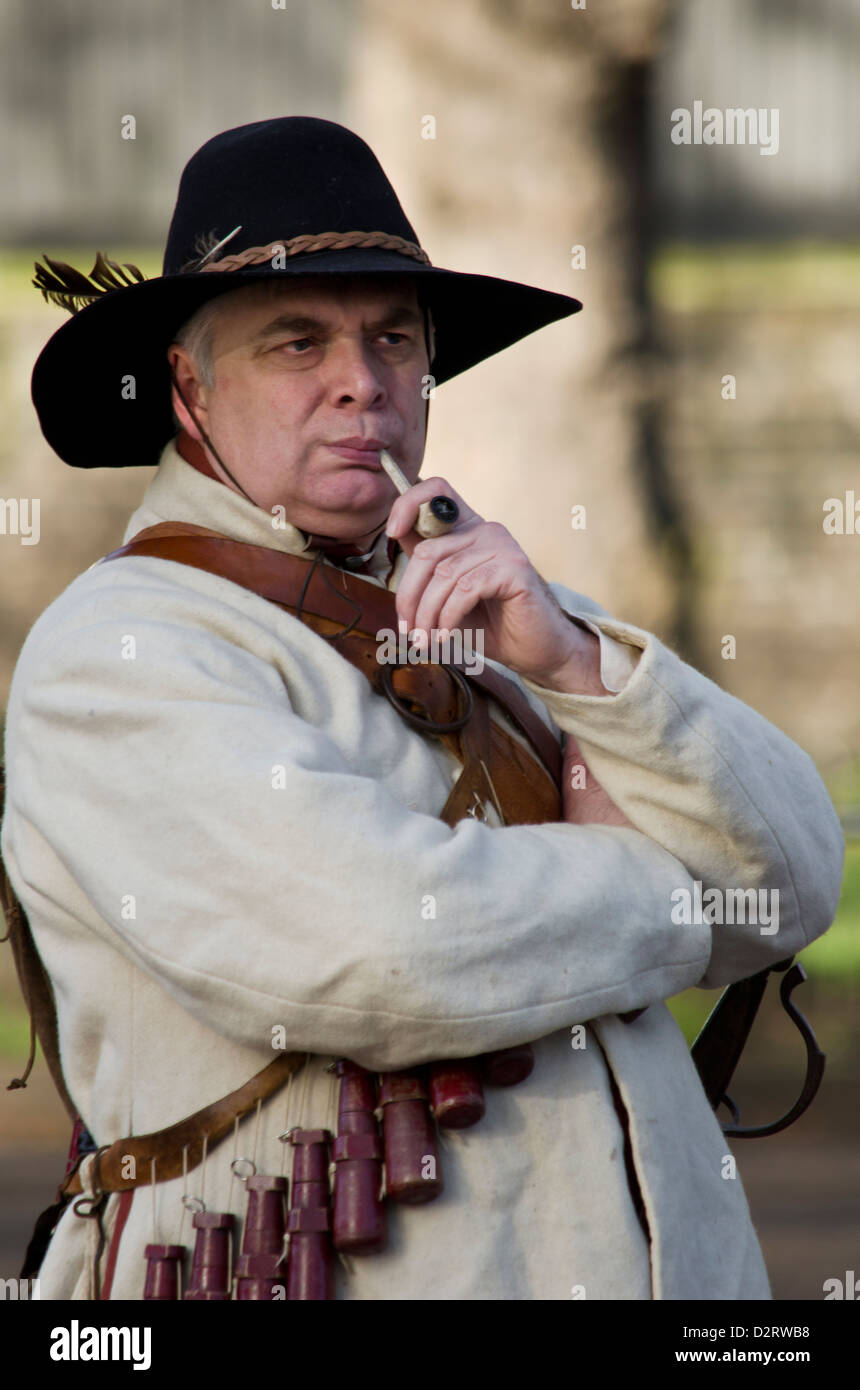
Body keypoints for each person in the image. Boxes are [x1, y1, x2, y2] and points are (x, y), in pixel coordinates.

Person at [1, 116, 844, 1301]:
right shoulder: (123, 650)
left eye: (393, 338)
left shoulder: (503, 603)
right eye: (297, 342)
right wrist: (667, 886)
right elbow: (375, 951)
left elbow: (797, 872)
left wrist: (569, 666)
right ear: (186, 387)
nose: (363, 381)